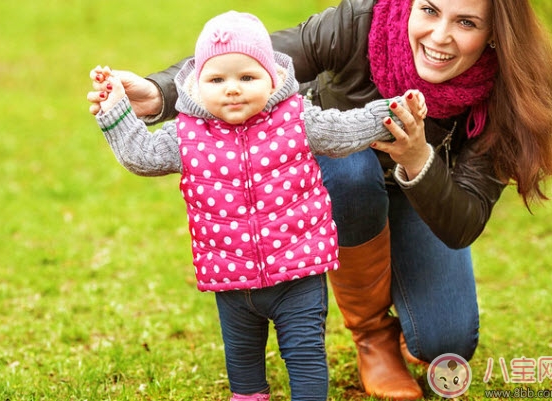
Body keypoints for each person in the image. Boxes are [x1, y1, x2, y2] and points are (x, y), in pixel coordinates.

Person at [88, 0, 552, 399]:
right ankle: (372, 335)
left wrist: (419, 157)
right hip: (337, 174)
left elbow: (463, 222)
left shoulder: (509, 91)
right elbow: (256, 58)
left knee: (448, 341)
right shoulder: (364, 20)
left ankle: (407, 320)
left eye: (465, 22)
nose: (440, 35)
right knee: (350, 169)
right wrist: (158, 92)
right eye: (429, 9)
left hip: (421, 190)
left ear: (493, 35)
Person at [86, 10, 427, 401]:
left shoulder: (297, 119)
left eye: (247, 77)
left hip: (298, 274)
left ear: (273, 79)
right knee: (243, 363)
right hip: (231, 280)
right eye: (217, 79)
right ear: (197, 86)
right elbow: (141, 155)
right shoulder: (187, 135)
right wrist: (115, 108)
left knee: (305, 356)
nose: (232, 89)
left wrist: (394, 111)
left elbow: (344, 129)